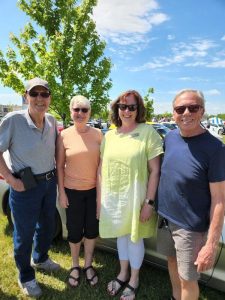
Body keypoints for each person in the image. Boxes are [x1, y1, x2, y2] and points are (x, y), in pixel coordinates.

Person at [157, 89, 225, 300]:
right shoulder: (170, 137)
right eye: (180, 108)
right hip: (165, 219)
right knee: (171, 262)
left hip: (191, 228)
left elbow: (219, 199)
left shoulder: (215, 148)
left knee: (188, 278)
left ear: (202, 111)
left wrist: (211, 244)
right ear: (174, 113)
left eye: (193, 107)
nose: (186, 112)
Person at [98, 90, 163, 300]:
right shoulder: (109, 135)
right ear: (117, 109)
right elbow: (101, 168)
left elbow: (155, 171)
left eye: (131, 107)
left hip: (137, 198)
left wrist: (149, 203)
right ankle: (122, 273)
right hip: (115, 199)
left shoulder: (148, 133)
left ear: (138, 109)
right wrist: (100, 200)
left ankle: (134, 279)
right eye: (123, 106)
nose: (127, 111)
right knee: (121, 235)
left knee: (134, 238)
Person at [0, 77, 60, 298]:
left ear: (49, 98)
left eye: (44, 94)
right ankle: (25, 275)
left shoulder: (52, 121)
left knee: (46, 225)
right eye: (34, 94)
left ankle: (41, 258)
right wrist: (10, 178)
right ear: (26, 96)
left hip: (48, 182)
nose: (39, 98)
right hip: (24, 186)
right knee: (23, 233)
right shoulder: (13, 120)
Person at [56, 95, 102, 288]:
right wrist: (62, 192)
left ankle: (88, 265)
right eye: (77, 109)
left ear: (89, 112)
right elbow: (59, 166)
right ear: (71, 111)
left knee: (91, 232)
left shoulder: (99, 134)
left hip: (93, 192)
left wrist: (100, 198)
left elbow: (101, 167)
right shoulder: (64, 135)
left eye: (84, 110)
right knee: (74, 231)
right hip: (72, 191)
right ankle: (75, 265)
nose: (80, 113)